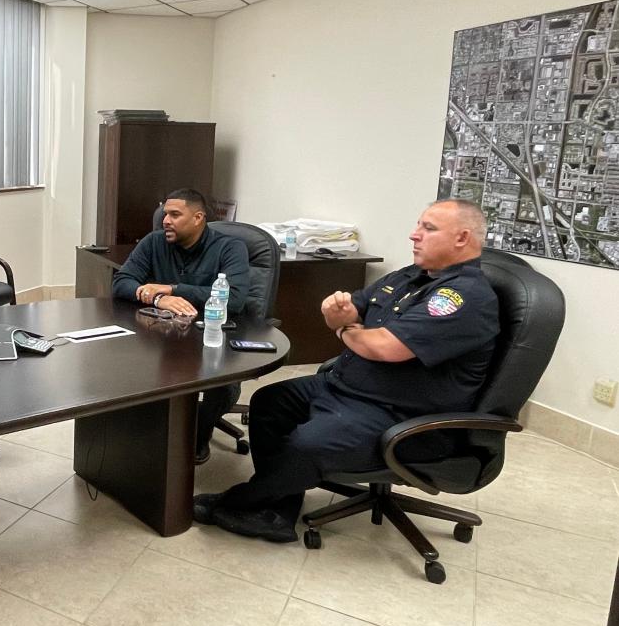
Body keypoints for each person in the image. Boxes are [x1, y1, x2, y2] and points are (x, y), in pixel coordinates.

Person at [196, 199, 499, 543]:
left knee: (305, 444)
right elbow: (347, 307)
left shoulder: (463, 297)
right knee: (268, 403)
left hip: (398, 413)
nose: (414, 235)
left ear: (462, 238)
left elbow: (385, 347)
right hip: (345, 388)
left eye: (428, 228)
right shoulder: (409, 276)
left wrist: (344, 330)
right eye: (418, 225)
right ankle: (278, 511)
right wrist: (336, 311)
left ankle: (238, 501)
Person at [111, 188, 251, 463]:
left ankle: (199, 436)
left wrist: (175, 288)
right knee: (125, 365)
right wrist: (160, 297)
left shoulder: (230, 248)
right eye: (165, 215)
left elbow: (233, 300)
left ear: (198, 217)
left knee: (222, 385)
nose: (165, 221)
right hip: (164, 337)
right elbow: (121, 283)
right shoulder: (153, 243)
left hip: (211, 337)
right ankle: (141, 437)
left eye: (175, 215)